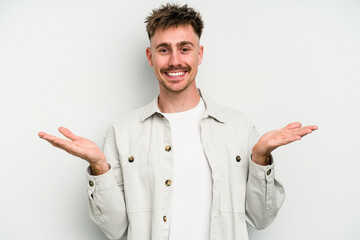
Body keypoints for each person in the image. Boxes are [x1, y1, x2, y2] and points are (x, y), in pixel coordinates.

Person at [38, 3, 318, 240]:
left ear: (200, 54)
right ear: (150, 56)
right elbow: (114, 228)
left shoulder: (238, 127)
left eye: (185, 48)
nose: (175, 60)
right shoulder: (122, 132)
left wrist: (260, 159)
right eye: (164, 50)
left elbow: (261, 219)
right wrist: (99, 168)